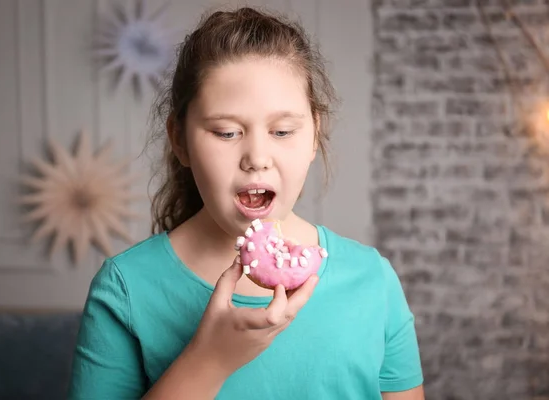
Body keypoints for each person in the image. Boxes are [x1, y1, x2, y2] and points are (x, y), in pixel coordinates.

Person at [68, 6, 424, 400]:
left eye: (283, 130)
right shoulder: (125, 289)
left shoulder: (372, 280)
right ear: (180, 140)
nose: (256, 156)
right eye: (226, 132)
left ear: (314, 137)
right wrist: (211, 360)